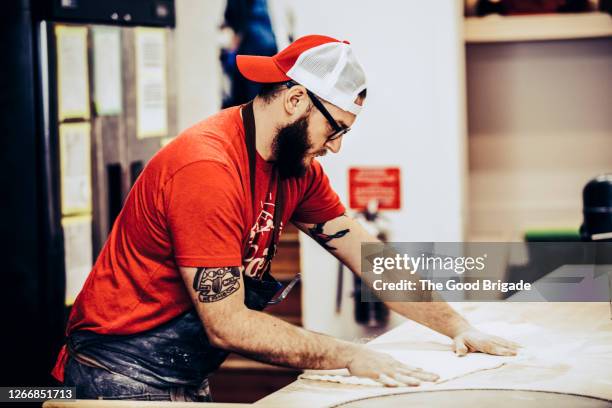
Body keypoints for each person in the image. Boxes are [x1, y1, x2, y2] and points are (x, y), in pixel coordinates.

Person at [51, 34, 519, 401]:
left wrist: (459, 327)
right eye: (335, 129)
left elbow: (369, 257)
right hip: (117, 376)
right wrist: (347, 355)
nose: (336, 146)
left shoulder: (296, 169)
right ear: (295, 100)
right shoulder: (207, 170)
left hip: (182, 372)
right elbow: (227, 324)